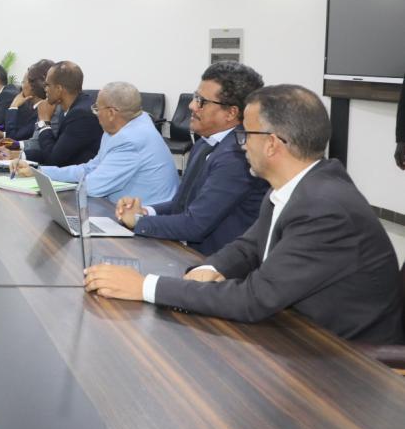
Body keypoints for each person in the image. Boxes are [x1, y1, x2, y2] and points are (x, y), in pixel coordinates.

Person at [85, 84, 405, 344]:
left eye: (246, 135)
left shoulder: (326, 209)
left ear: (272, 144)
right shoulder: (295, 185)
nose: (241, 146)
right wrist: (210, 268)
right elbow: (249, 246)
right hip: (299, 333)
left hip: (346, 360)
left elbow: (255, 298)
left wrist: (145, 287)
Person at [115, 62, 268, 255]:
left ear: (231, 113)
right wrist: (145, 212)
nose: (192, 106)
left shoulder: (237, 156)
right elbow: (181, 205)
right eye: (196, 97)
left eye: (201, 101)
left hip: (217, 264)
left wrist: (138, 222)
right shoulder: (205, 143)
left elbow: (195, 224)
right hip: (190, 254)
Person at [31, 82, 178, 204]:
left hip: (144, 221)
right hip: (118, 209)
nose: (95, 114)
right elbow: (91, 168)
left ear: (111, 113)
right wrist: (40, 172)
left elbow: (92, 187)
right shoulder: (122, 126)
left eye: (96, 109)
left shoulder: (130, 140)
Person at [0, 60, 101, 166]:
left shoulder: (80, 115)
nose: (45, 89)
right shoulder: (70, 108)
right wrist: (16, 155)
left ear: (59, 89)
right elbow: (52, 149)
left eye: (48, 85)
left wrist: (44, 122)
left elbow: (54, 159)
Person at [0, 59, 53, 140]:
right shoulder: (31, 107)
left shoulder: (43, 110)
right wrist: (2, 134)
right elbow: (20, 134)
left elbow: (13, 137)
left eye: (23, 82)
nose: (21, 87)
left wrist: (13, 106)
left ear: (32, 86)